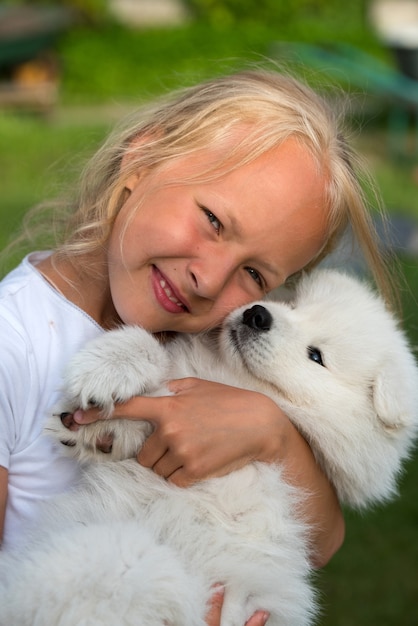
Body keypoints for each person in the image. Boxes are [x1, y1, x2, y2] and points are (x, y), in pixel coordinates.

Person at [0, 68, 397, 624]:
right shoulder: (13, 343)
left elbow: (322, 539)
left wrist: (274, 435)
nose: (209, 281)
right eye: (213, 221)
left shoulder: (213, 341)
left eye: (255, 274)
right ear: (143, 157)